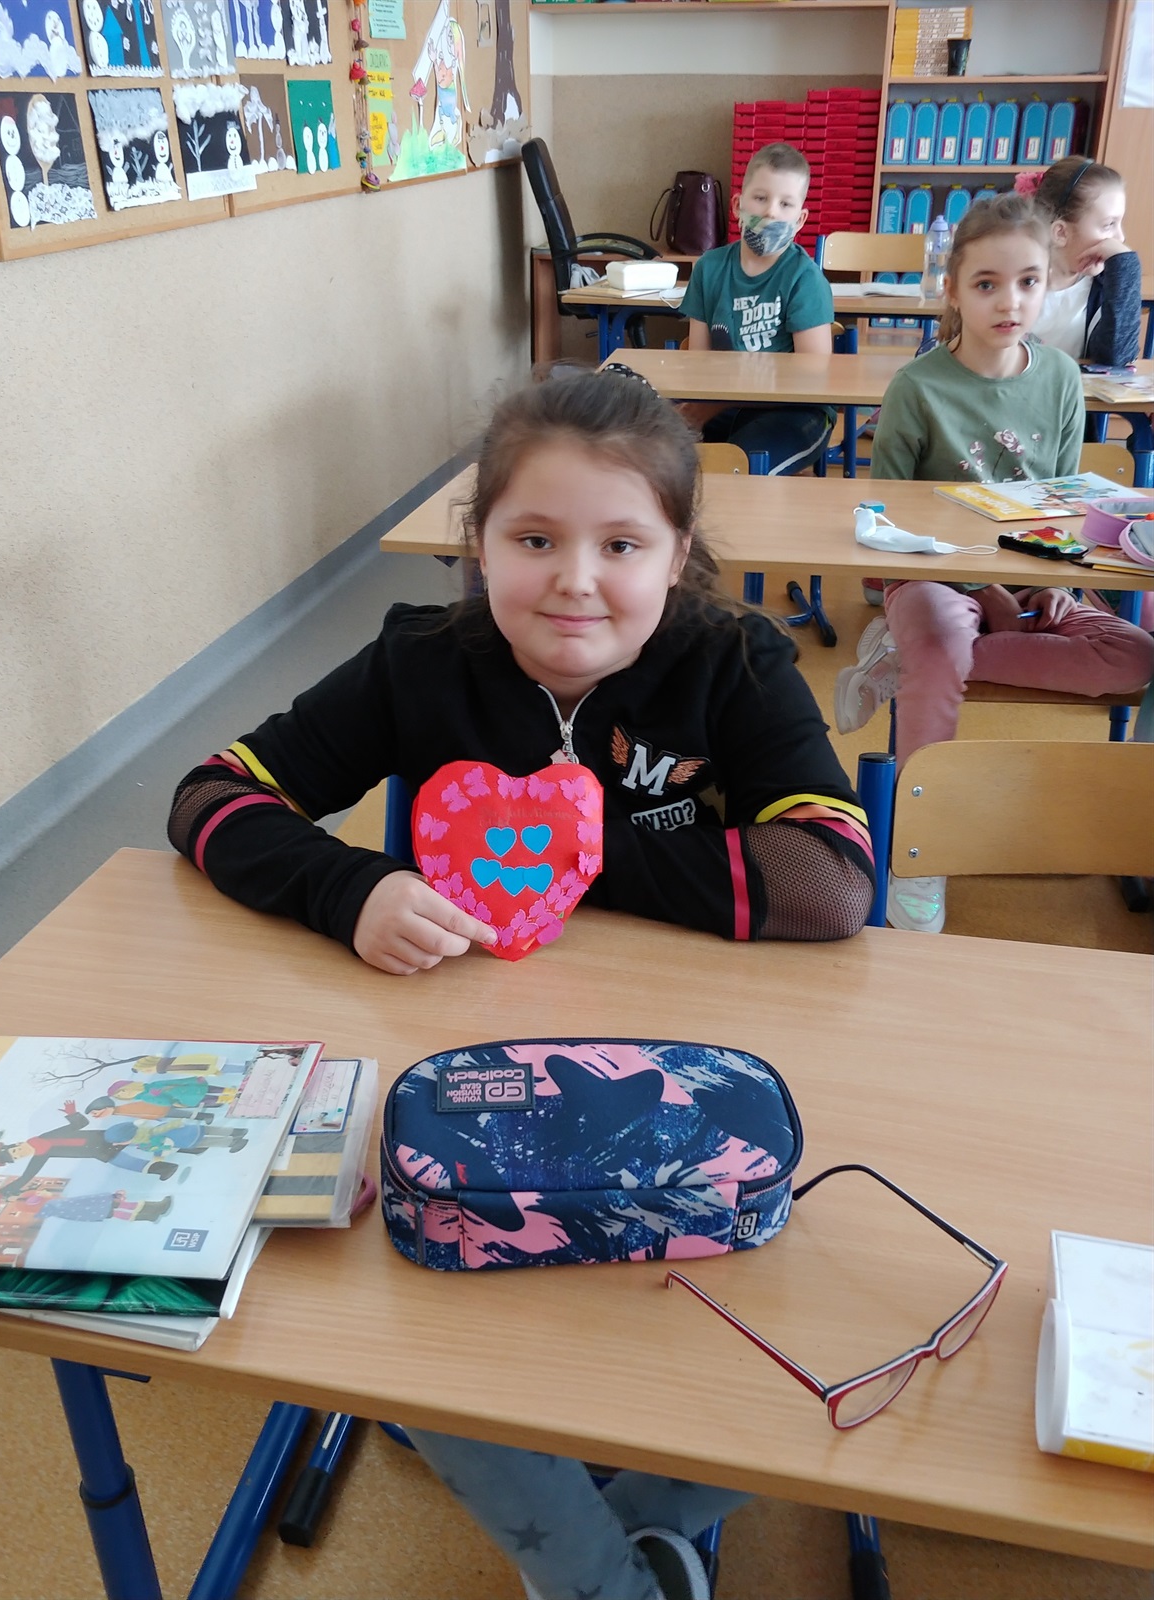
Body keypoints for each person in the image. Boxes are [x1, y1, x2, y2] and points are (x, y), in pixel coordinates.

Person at [168, 366, 874, 1600]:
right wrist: (351, 888)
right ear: (479, 543)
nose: (575, 580)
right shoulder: (419, 661)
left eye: (622, 544)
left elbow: (829, 876)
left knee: (828, 1304)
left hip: (673, 1076)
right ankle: (607, 1558)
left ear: (678, 555)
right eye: (534, 538)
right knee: (416, 1307)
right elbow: (211, 794)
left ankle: (613, 1535)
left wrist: (569, 851)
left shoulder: (734, 661)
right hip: (467, 1073)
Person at [834, 193, 1154, 936]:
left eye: (1029, 281)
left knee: (1135, 655)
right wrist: (982, 590)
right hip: (931, 578)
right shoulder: (918, 388)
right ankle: (921, 850)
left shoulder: (1062, 379)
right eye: (987, 284)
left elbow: (1061, 505)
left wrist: (1051, 584)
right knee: (941, 642)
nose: (1010, 302)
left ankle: (908, 664)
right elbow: (885, 527)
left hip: (1033, 574)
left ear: (1050, 284)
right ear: (953, 290)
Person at [678, 142, 835, 475]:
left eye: (786, 204)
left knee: (739, 468)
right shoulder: (709, 268)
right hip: (722, 405)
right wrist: (697, 409)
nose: (771, 213)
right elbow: (698, 363)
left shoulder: (804, 278)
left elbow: (811, 378)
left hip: (794, 411)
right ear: (738, 205)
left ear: (800, 219)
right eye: (761, 198)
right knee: (654, 452)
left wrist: (707, 409)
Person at [1019, 158, 1141, 368]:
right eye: (1108, 225)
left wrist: (1125, 268)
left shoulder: (1104, 288)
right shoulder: (1014, 281)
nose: (1120, 238)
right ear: (1061, 233)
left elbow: (1116, 359)